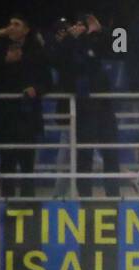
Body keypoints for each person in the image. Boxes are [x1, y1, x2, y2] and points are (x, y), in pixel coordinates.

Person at [50, 13, 120, 198]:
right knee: (83, 157)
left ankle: (113, 195)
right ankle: (84, 197)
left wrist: (100, 31)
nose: (75, 30)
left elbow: (118, 49)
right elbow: (62, 65)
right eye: (63, 31)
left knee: (111, 153)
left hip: (103, 105)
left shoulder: (91, 41)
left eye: (76, 27)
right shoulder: (64, 47)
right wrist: (71, 40)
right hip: (81, 108)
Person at [0, 15, 49, 199]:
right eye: (10, 23)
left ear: (26, 29)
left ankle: (29, 204)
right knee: (6, 163)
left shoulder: (36, 50)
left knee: (27, 163)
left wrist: (36, 89)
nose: (11, 27)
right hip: (5, 115)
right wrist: (6, 60)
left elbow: (47, 81)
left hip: (27, 115)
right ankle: (6, 203)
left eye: (16, 24)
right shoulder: (0, 47)